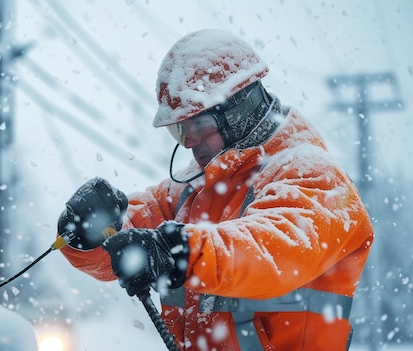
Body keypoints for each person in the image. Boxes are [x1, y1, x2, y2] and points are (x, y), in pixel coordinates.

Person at [56, 29, 373, 350]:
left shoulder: (313, 175)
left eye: (197, 125)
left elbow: (272, 248)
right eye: (179, 130)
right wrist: (87, 234)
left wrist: (179, 252)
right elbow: (130, 233)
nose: (188, 141)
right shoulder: (194, 186)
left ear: (237, 113)